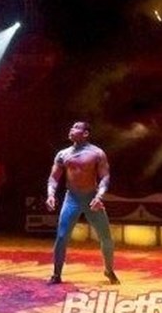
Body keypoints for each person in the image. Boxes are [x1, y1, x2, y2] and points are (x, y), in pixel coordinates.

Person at [45, 121, 120, 285]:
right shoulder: (63, 154)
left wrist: (99, 197)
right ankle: (56, 274)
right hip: (71, 198)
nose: (71, 129)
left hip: (91, 198)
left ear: (86, 133)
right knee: (62, 236)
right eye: (71, 127)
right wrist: (50, 194)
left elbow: (105, 177)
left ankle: (109, 270)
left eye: (76, 127)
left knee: (105, 236)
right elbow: (53, 178)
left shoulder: (97, 153)